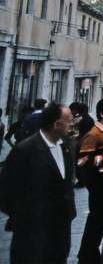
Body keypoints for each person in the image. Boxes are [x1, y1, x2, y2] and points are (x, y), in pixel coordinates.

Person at [0, 103, 76, 264]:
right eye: (69, 120)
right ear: (56, 125)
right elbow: (6, 193)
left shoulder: (66, 146)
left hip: (60, 229)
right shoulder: (25, 150)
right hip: (32, 232)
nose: (73, 123)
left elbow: (66, 183)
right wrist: (27, 217)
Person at [77, 97, 103, 264]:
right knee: (96, 221)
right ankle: (87, 256)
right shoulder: (94, 134)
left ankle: (91, 254)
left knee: (100, 221)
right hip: (98, 185)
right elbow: (83, 161)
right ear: (102, 113)